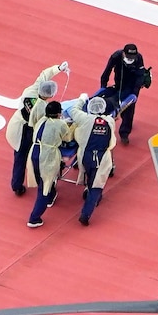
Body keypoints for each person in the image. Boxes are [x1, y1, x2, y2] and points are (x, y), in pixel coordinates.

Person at [6, 61, 68, 196]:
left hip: (16, 124)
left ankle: (17, 185)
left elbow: (44, 75)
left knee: (19, 157)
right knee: (28, 156)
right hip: (28, 132)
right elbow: (46, 123)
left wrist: (58, 68)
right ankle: (39, 183)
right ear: (50, 95)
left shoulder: (31, 91)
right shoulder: (43, 109)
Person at [67, 95, 116, 226]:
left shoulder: (85, 118)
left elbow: (73, 110)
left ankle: (90, 194)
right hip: (102, 158)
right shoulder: (110, 121)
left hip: (85, 156)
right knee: (97, 186)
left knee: (89, 176)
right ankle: (85, 214)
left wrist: (82, 99)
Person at [27, 101, 73, 228]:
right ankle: (34, 218)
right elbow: (68, 138)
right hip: (47, 156)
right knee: (44, 186)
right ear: (59, 113)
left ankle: (51, 196)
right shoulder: (60, 124)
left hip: (34, 153)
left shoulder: (41, 120)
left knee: (40, 180)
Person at [99, 43, 145, 145]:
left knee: (129, 107)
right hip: (119, 81)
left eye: (132, 57)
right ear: (123, 54)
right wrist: (103, 86)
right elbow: (107, 71)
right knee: (112, 98)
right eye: (128, 57)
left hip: (132, 84)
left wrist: (135, 94)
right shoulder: (116, 56)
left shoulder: (138, 58)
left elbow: (140, 77)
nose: (130, 59)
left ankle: (125, 132)